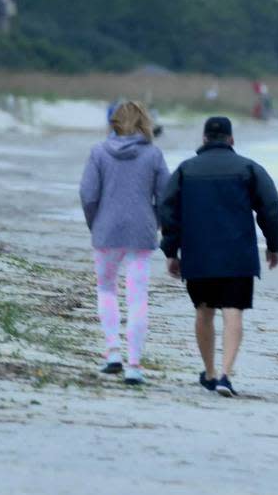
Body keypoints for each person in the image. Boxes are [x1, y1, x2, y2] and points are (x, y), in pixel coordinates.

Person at [159, 117, 278, 397]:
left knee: (204, 312)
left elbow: (168, 211)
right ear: (231, 139)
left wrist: (171, 250)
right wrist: (274, 245)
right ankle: (226, 375)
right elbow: (271, 208)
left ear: (203, 140)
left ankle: (210, 371)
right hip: (238, 256)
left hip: (198, 255)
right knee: (233, 313)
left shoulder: (186, 170)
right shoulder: (249, 168)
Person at [79, 101, 170, 386]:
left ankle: (113, 352)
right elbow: (166, 196)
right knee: (138, 297)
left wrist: (96, 223)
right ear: (145, 122)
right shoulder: (153, 154)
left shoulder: (98, 152)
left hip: (106, 231)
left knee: (106, 289)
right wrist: (154, 221)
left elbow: (87, 194)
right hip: (141, 232)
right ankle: (134, 364)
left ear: (114, 122)